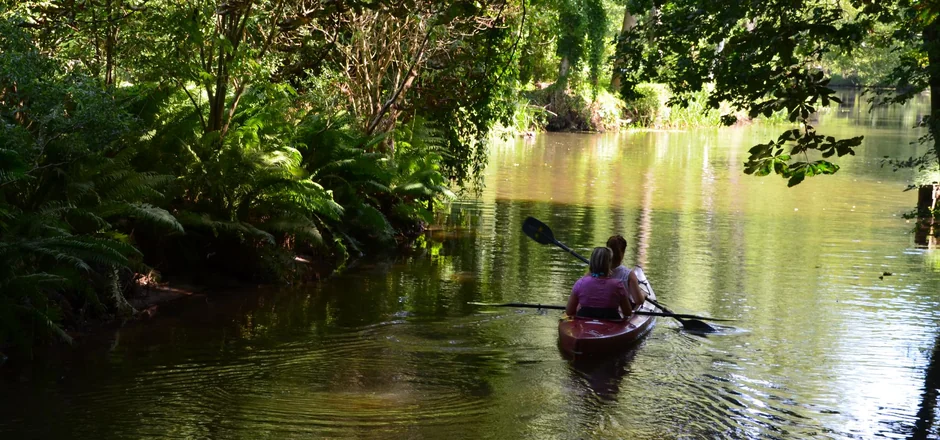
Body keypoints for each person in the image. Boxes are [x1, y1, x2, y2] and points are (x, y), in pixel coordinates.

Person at [565, 247, 633, 320]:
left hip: (585, 325)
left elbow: (569, 311)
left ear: (591, 262)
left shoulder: (580, 283)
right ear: (609, 263)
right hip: (610, 326)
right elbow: (627, 312)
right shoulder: (617, 285)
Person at [607, 235, 646, 310]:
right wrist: (644, 295)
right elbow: (638, 301)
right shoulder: (629, 275)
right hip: (620, 313)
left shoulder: (596, 271)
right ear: (623, 252)